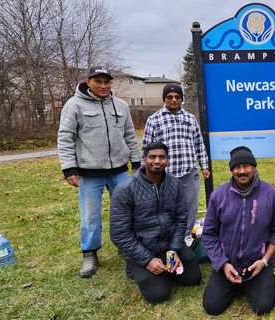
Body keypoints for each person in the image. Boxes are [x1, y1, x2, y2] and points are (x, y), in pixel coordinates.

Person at [57, 65, 141, 278]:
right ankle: (90, 252)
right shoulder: (74, 105)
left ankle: (127, 247)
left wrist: (136, 161)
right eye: (98, 81)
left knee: (126, 211)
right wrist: (69, 168)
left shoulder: (121, 106)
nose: (103, 86)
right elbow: (65, 138)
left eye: (106, 82)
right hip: (89, 171)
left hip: (119, 170)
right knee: (91, 215)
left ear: (111, 83)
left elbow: (130, 135)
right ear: (89, 83)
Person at [109, 142, 202, 304]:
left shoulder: (175, 184)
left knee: (193, 279)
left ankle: (166, 266)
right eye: (152, 157)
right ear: (144, 160)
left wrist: (174, 249)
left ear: (168, 160)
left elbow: (181, 219)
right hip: (143, 249)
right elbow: (119, 233)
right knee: (159, 295)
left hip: (169, 245)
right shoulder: (125, 189)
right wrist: (147, 260)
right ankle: (133, 267)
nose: (157, 161)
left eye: (162, 157)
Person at [202, 146, 275, 316]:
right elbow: (209, 233)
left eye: (246, 166)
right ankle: (234, 281)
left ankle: (256, 281)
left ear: (254, 167)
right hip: (228, 262)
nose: (241, 171)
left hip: (257, 262)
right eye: (236, 167)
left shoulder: (271, 194)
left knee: (262, 307)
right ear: (232, 170)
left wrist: (264, 261)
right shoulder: (218, 195)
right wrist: (223, 264)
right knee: (211, 307)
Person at [142, 83, 210, 244]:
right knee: (165, 207)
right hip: (166, 175)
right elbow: (146, 147)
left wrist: (204, 166)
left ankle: (186, 236)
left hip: (189, 172)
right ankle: (168, 236)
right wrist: (146, 172)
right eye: (169, 97)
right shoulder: (154, 119)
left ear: (181, 99)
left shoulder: (190, 118)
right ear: (164, 99)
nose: (173, 100)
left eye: (177, 97)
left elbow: (199, 143)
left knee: (190, 207)